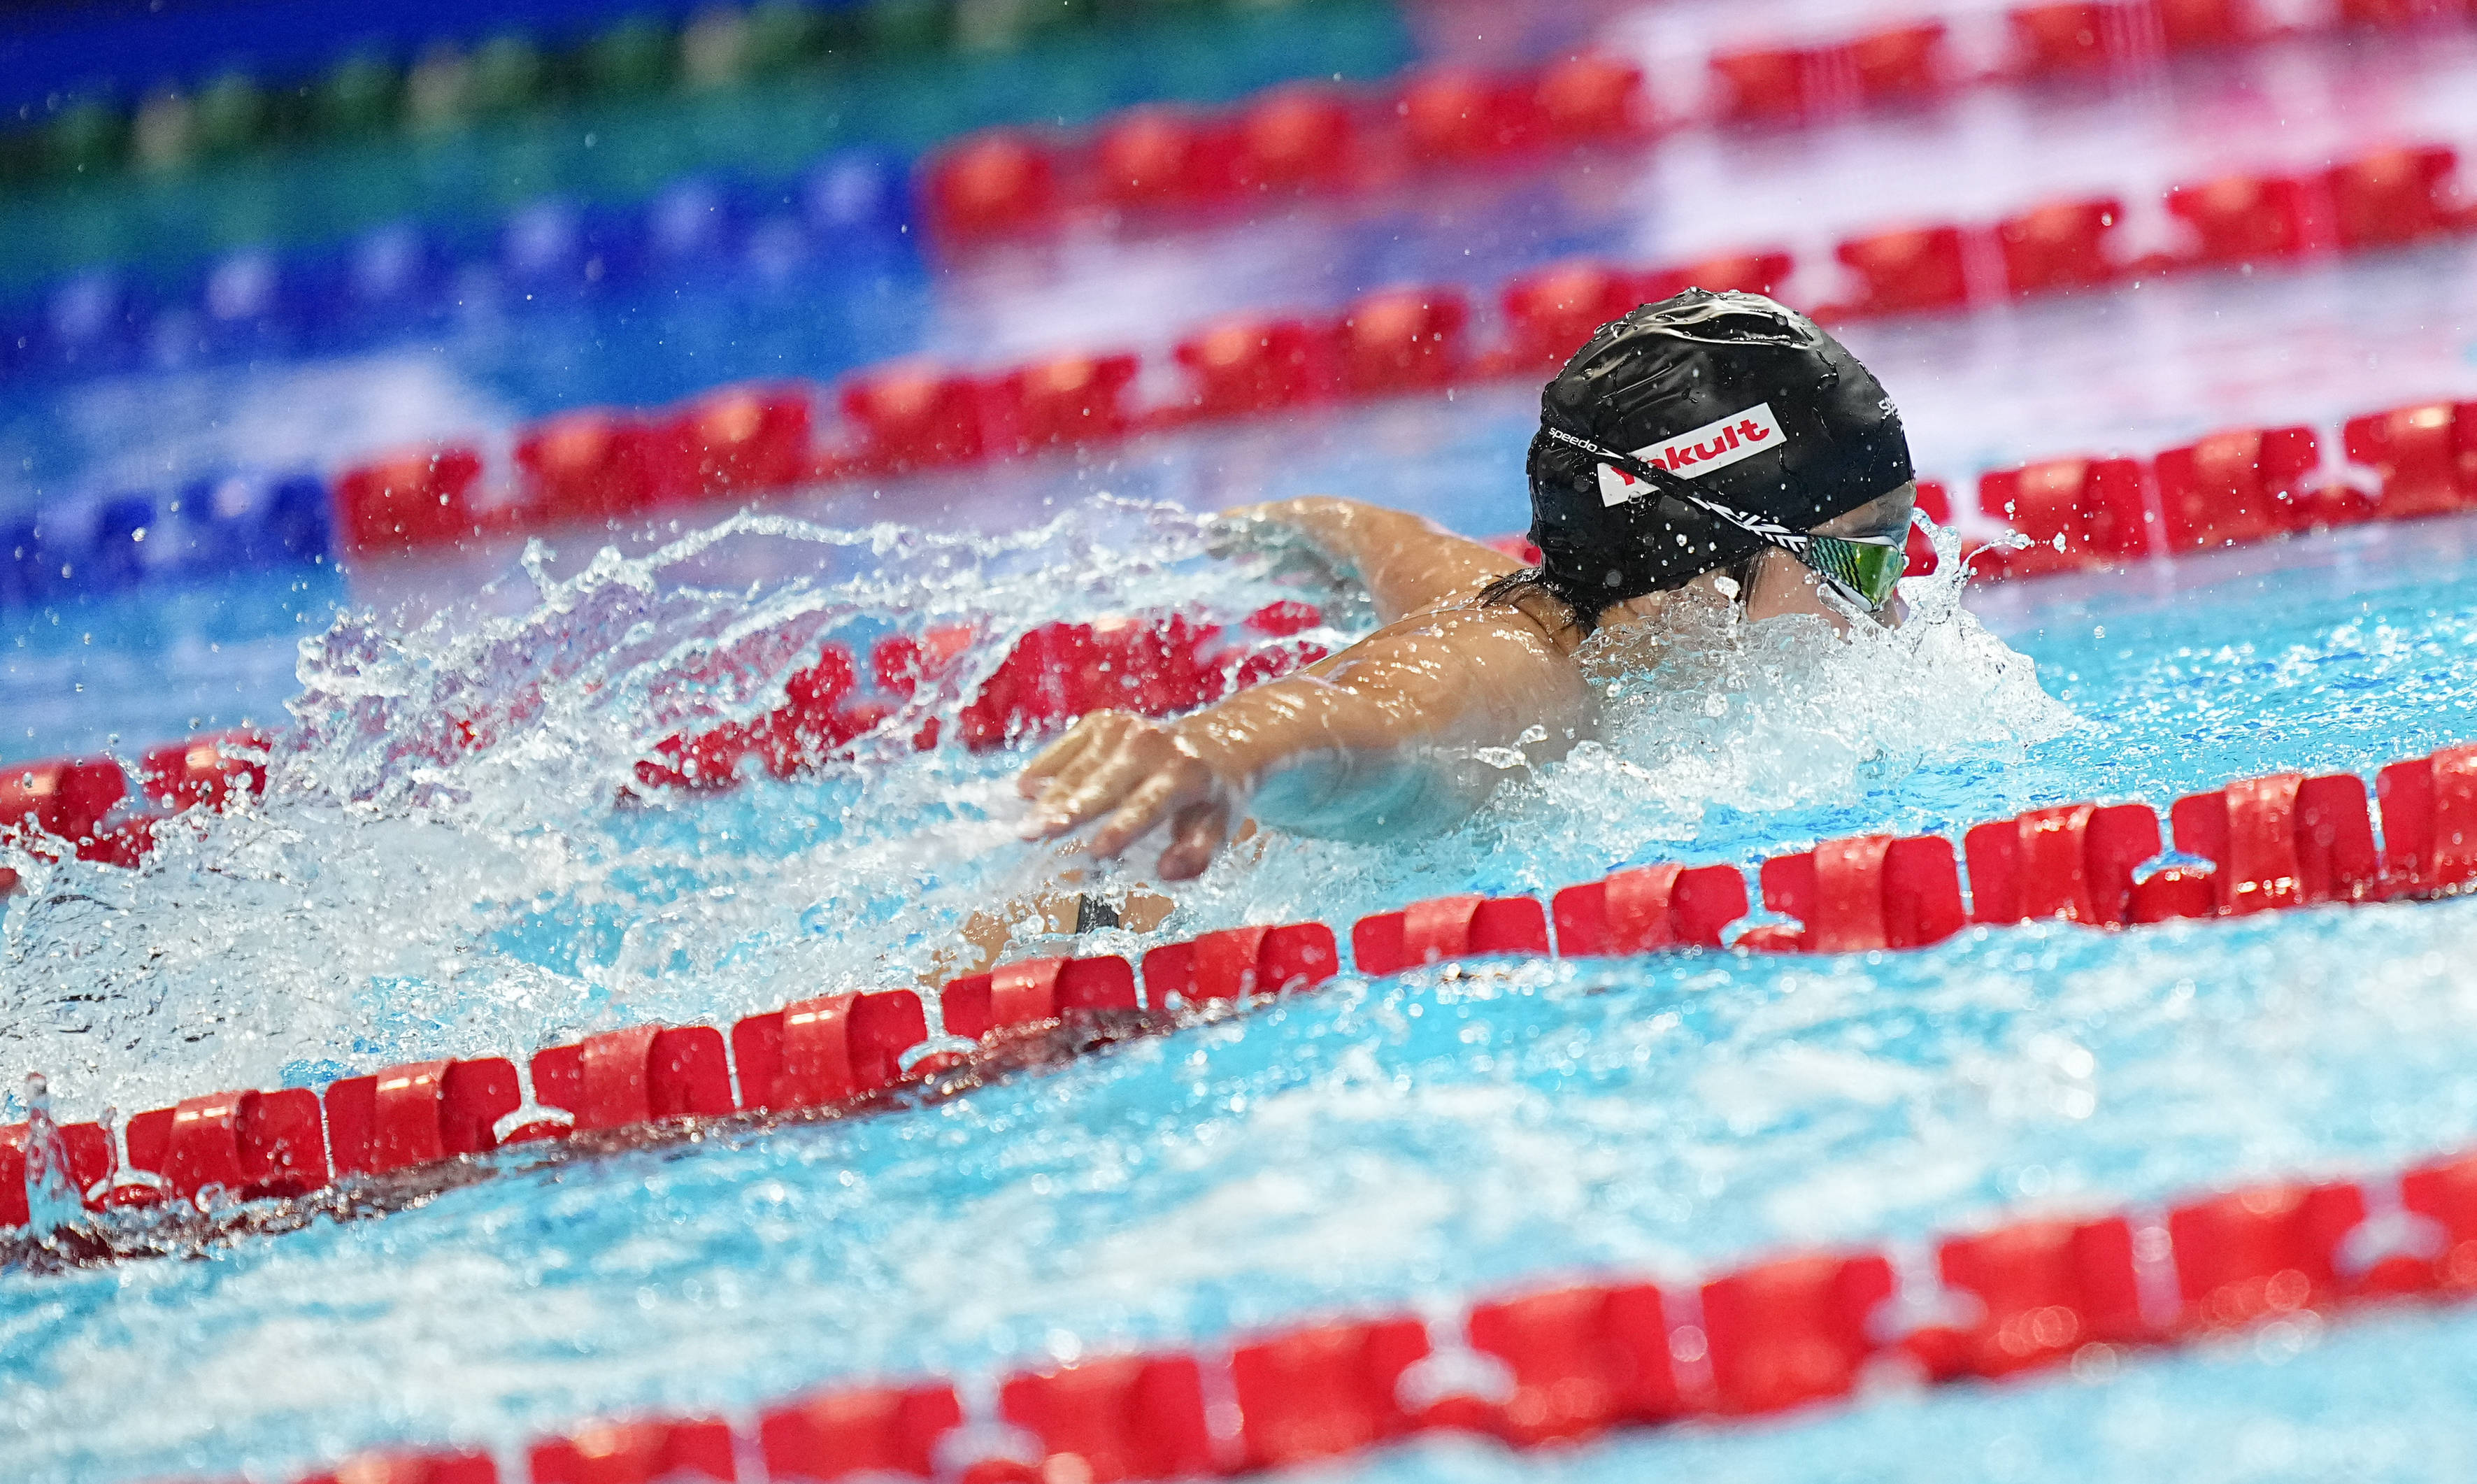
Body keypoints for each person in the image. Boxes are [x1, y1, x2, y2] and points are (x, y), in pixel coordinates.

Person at [1015, 288, 1922, 886]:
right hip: (1045, 996)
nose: (1895, 601)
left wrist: (1311, 523)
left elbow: (1387, 538)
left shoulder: (1540, 605)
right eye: (1860, 555)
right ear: (1686, 581)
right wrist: (1214, 752)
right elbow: (1365, 724)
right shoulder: (1514, 685)